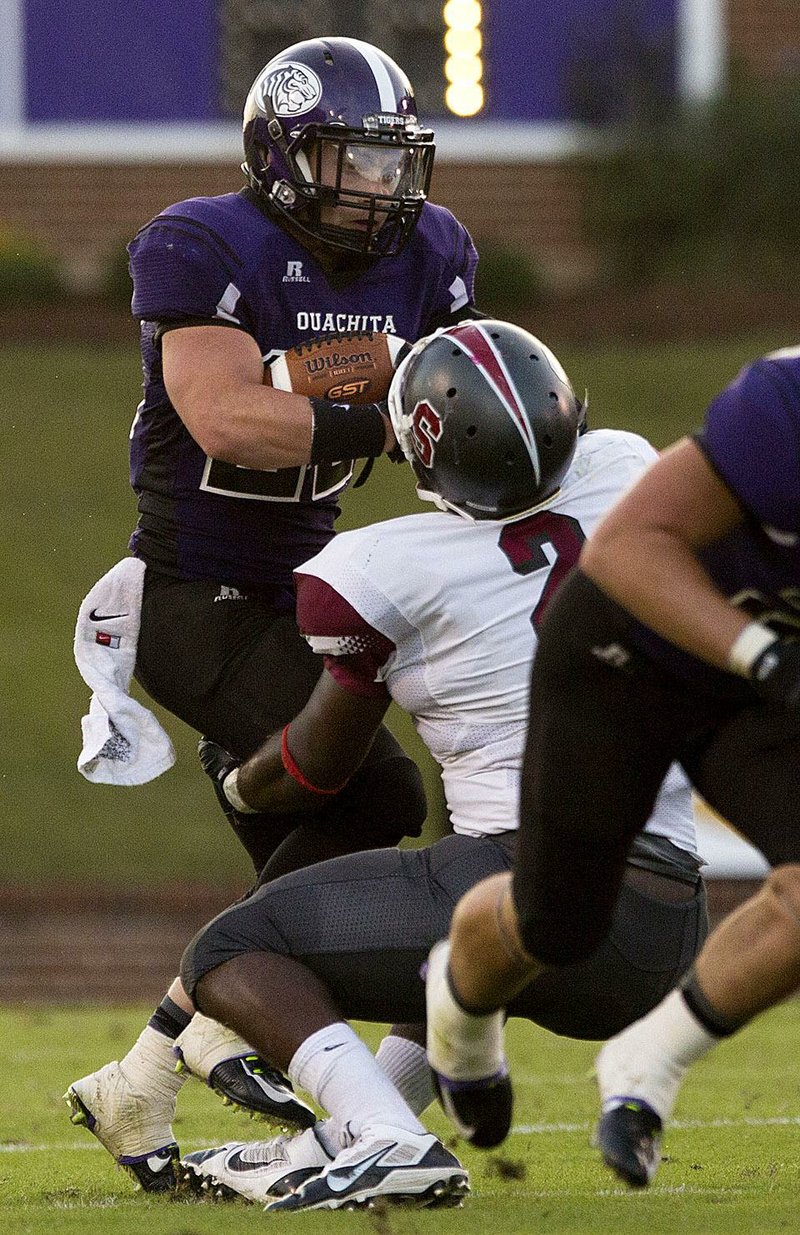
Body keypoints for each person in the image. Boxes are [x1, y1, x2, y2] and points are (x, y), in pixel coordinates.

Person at [162, 320, 708, 1211]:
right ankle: (363, 1127)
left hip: (529, 883)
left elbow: (316, 766)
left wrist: (239, 781)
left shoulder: (379, 567)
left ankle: (384, 1137)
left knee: (232, 946)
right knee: (446, 920)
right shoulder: (626, 466)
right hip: (665, 923)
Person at [65, 35, 480, 1192]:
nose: (378, 188)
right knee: (382, 793)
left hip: (309, 578)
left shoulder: (435, 250)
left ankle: (148, 1071)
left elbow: (452, 402)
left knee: (314, 874)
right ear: (287, 155)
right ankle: (198, 1032)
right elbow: (227, 420)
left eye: (392, 164)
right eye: (351, 161)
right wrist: (382, 409)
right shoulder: (203, 241)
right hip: (194, 588)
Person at [424, 345, 800, 1182]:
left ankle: (645, 1068)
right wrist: (761, 654)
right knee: (559, 922)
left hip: (758, 689)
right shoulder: (788, 403)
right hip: (631, 649)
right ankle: (457, 1009)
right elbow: (628, 548)